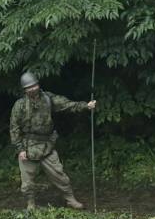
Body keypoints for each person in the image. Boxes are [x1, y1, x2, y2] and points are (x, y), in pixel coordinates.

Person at [10, 71, 95, 210]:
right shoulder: (19, 105)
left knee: (60, 175)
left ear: (38, 85)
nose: (32, 89)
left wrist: (86, 106)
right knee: (27, 182)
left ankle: (70, 199)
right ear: (24, 90)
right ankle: (30, 204)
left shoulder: (48, 98)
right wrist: (20, 149)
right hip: (27, 147)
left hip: (46, 145)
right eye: (29, 87)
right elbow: (14, 128)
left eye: (34, 85)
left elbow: (66, 105)